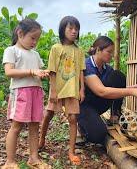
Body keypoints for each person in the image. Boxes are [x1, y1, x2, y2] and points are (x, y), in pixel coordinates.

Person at [77, 36, 137, 145]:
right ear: (98, 50)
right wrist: (132, 92)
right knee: (98, 135)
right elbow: (102, 91)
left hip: (98, 103)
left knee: (117, 76)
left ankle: (115, 114)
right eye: (109, 52)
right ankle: (82, 125)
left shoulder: (107, 68)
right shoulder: (86, 66)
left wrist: (135, 87)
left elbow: (115, 89)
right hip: (84, 106)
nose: (112, 55)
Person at [2, 19, 50, 169]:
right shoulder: (12, 51)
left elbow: (38, 71)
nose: (35, 42)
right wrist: (31, 71)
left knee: (35, 126)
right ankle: (10, 161)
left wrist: (45, 72)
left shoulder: (35, 54)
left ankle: (34, 159)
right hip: (21, 92)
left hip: (36, 92)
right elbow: (9, 72)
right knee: (16, 126)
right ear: (20, 33)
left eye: (37, 39)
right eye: (32, 38)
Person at [39, 16, 85, 165]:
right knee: (48, 114)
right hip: (58, 89)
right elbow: (52, 71)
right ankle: (41, 140)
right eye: (70, 28)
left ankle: (71, 151)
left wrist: (82, 89)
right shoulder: (56, 48)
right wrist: (53, 91)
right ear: (62, 30)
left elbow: (81, 72)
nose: (74, 31)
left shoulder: (79, 51)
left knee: (73, 119)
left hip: (72, 90)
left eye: (76, 29)